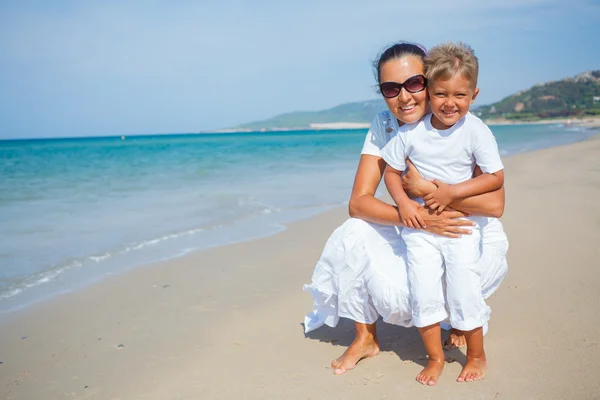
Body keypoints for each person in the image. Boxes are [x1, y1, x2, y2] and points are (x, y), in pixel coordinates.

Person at [303, 42, 508, 380]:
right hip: (420, 233)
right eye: (391, 88)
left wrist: (429, 191)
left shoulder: (461, 120)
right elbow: (358, 203)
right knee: (352, 232)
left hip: (467, 235)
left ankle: (462, 324)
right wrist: (416, 217)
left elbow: (495, 204)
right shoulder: (385, 126)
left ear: (429, 81)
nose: (405, 97)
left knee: (461, 284)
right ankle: (366, 337)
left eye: (414, 83)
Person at [382, 42, 504, 385]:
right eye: (441, 94)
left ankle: (476, 354)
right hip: (421, 228)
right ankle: (435, 357)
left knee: (464, 285)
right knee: (424, 289)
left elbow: (496, 178)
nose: (450, 103)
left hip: (459, 224)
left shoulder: (476, 131)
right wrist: (405, 205)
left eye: (460, 95)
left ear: (474, 94)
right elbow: (391, 172)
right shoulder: (411, 133)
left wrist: (451, 192)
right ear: (430, 93)